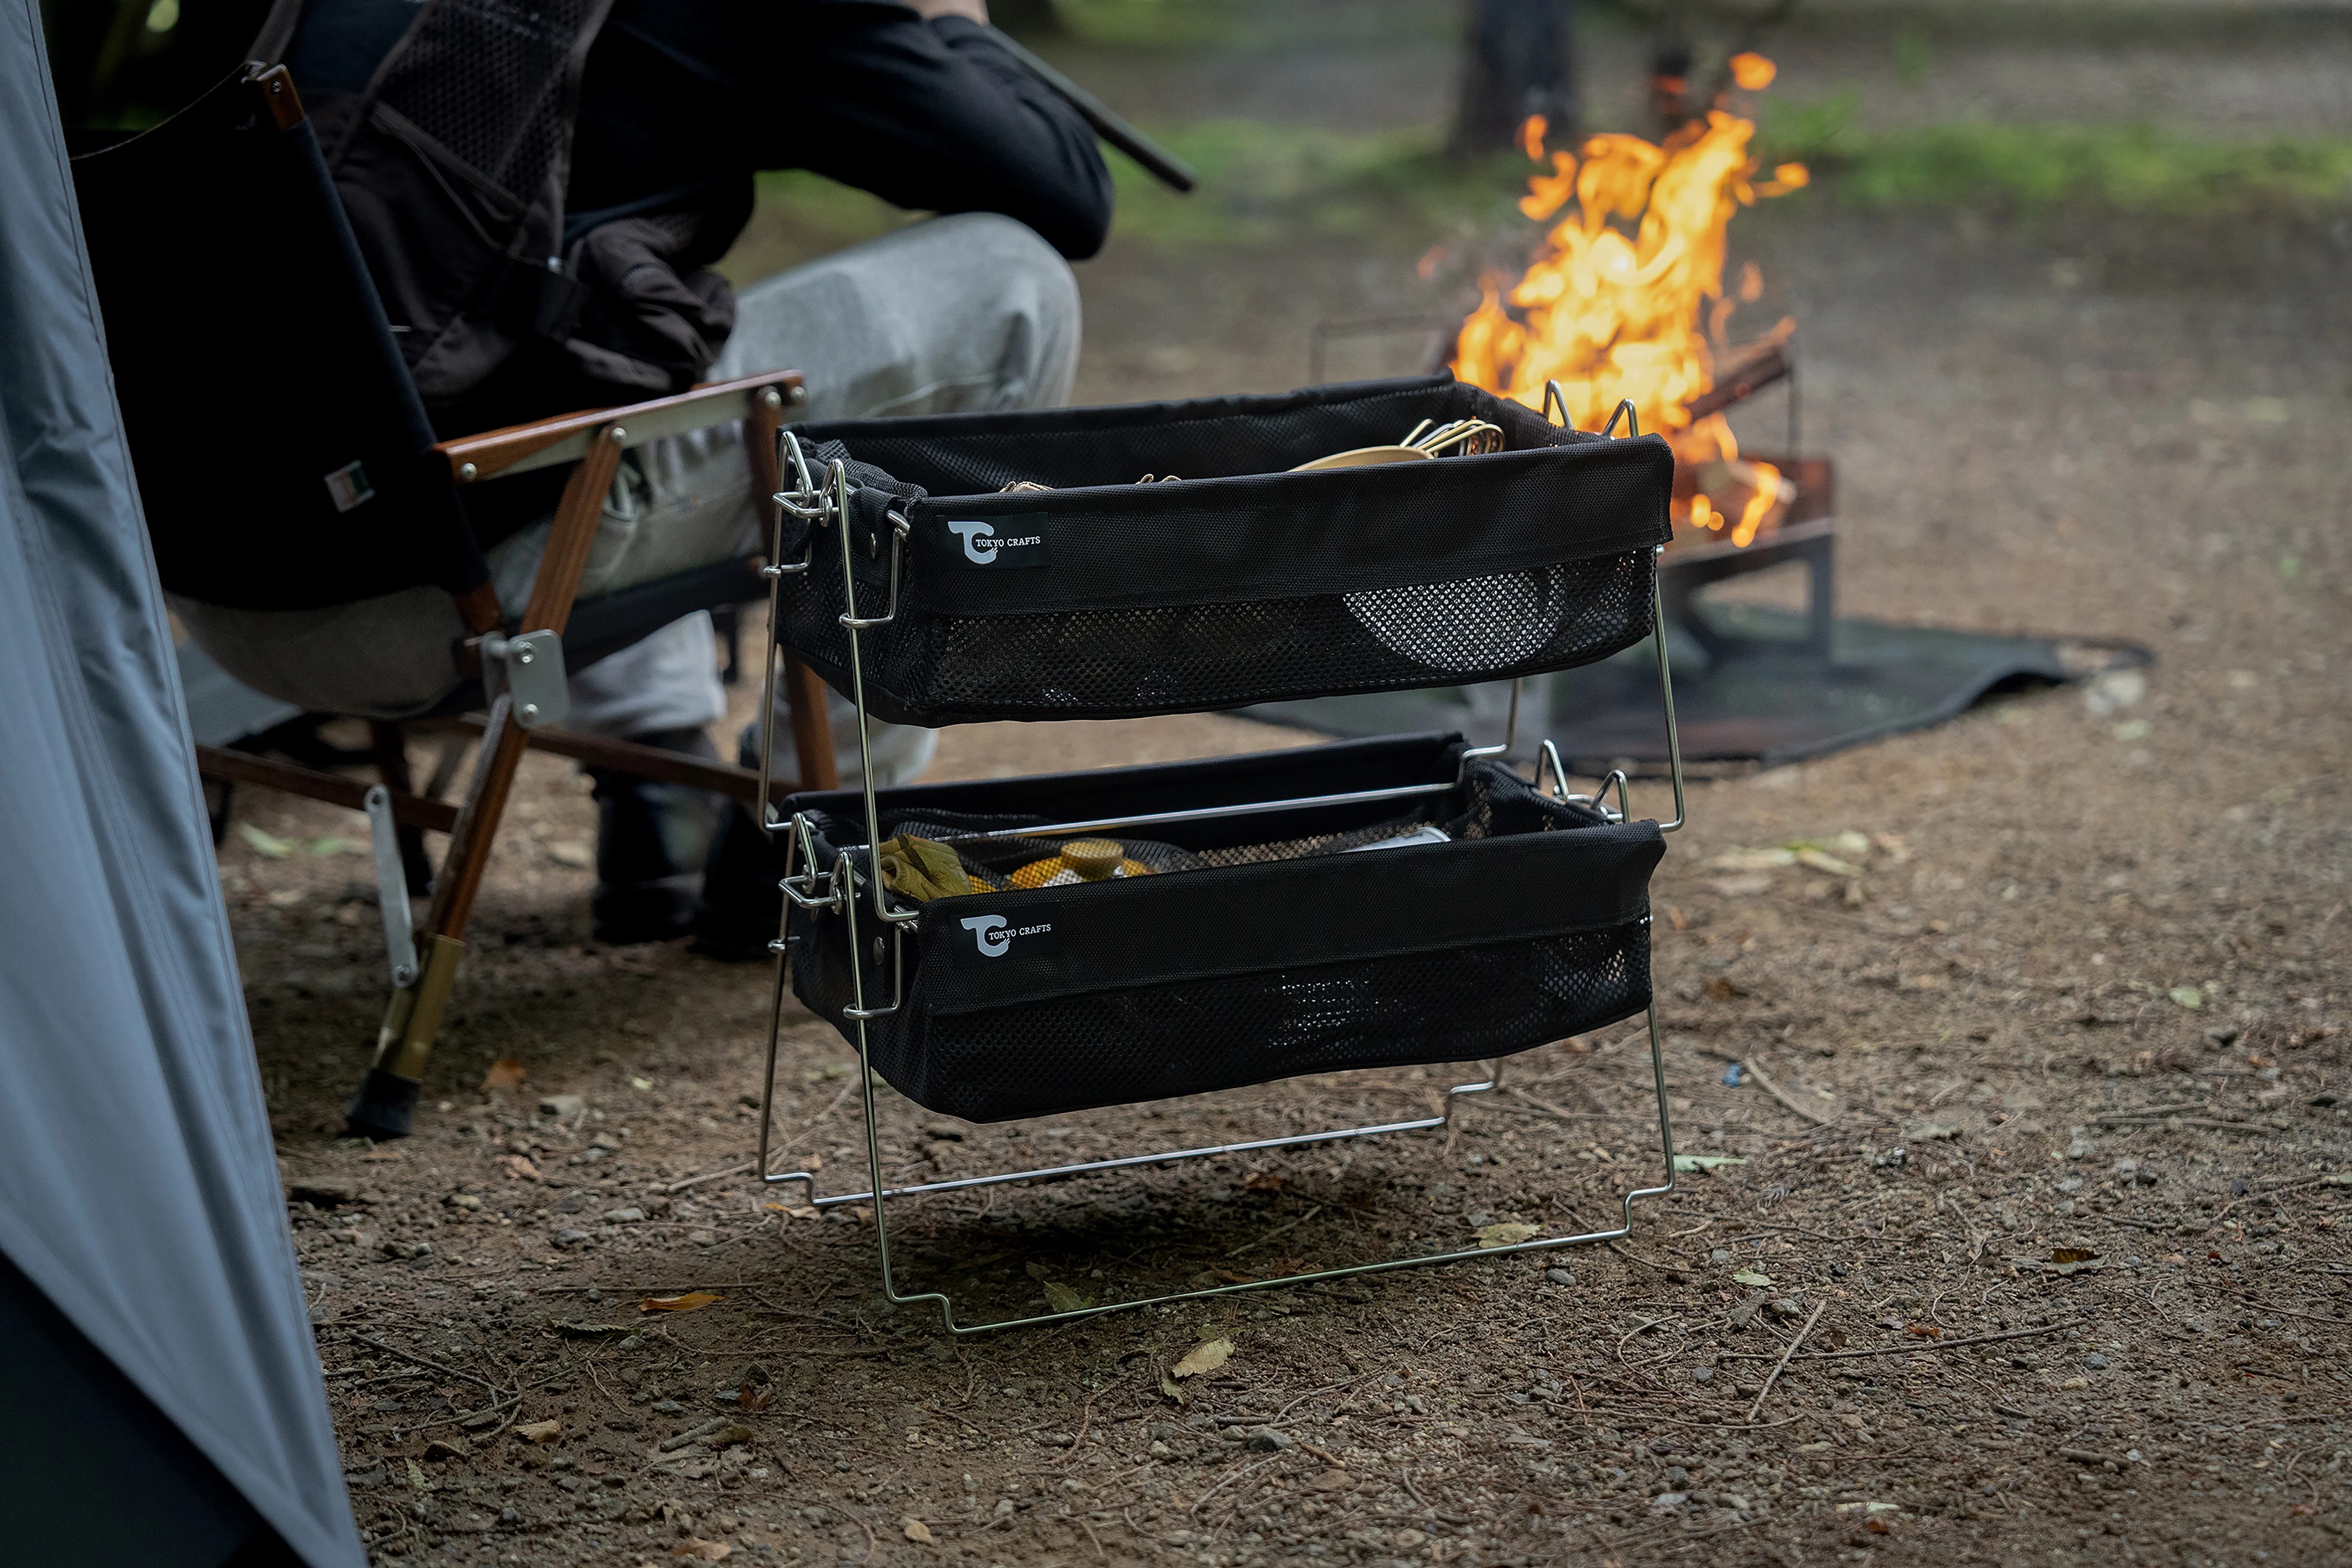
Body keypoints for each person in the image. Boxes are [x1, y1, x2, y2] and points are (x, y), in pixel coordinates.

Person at [175, 0, 1112, 946]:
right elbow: (1066, 188)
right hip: (437, 595)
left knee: (600, 309)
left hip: (228, 597)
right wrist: (951, 21)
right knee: (1011, 277)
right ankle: (804, 837)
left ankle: (655, 782)